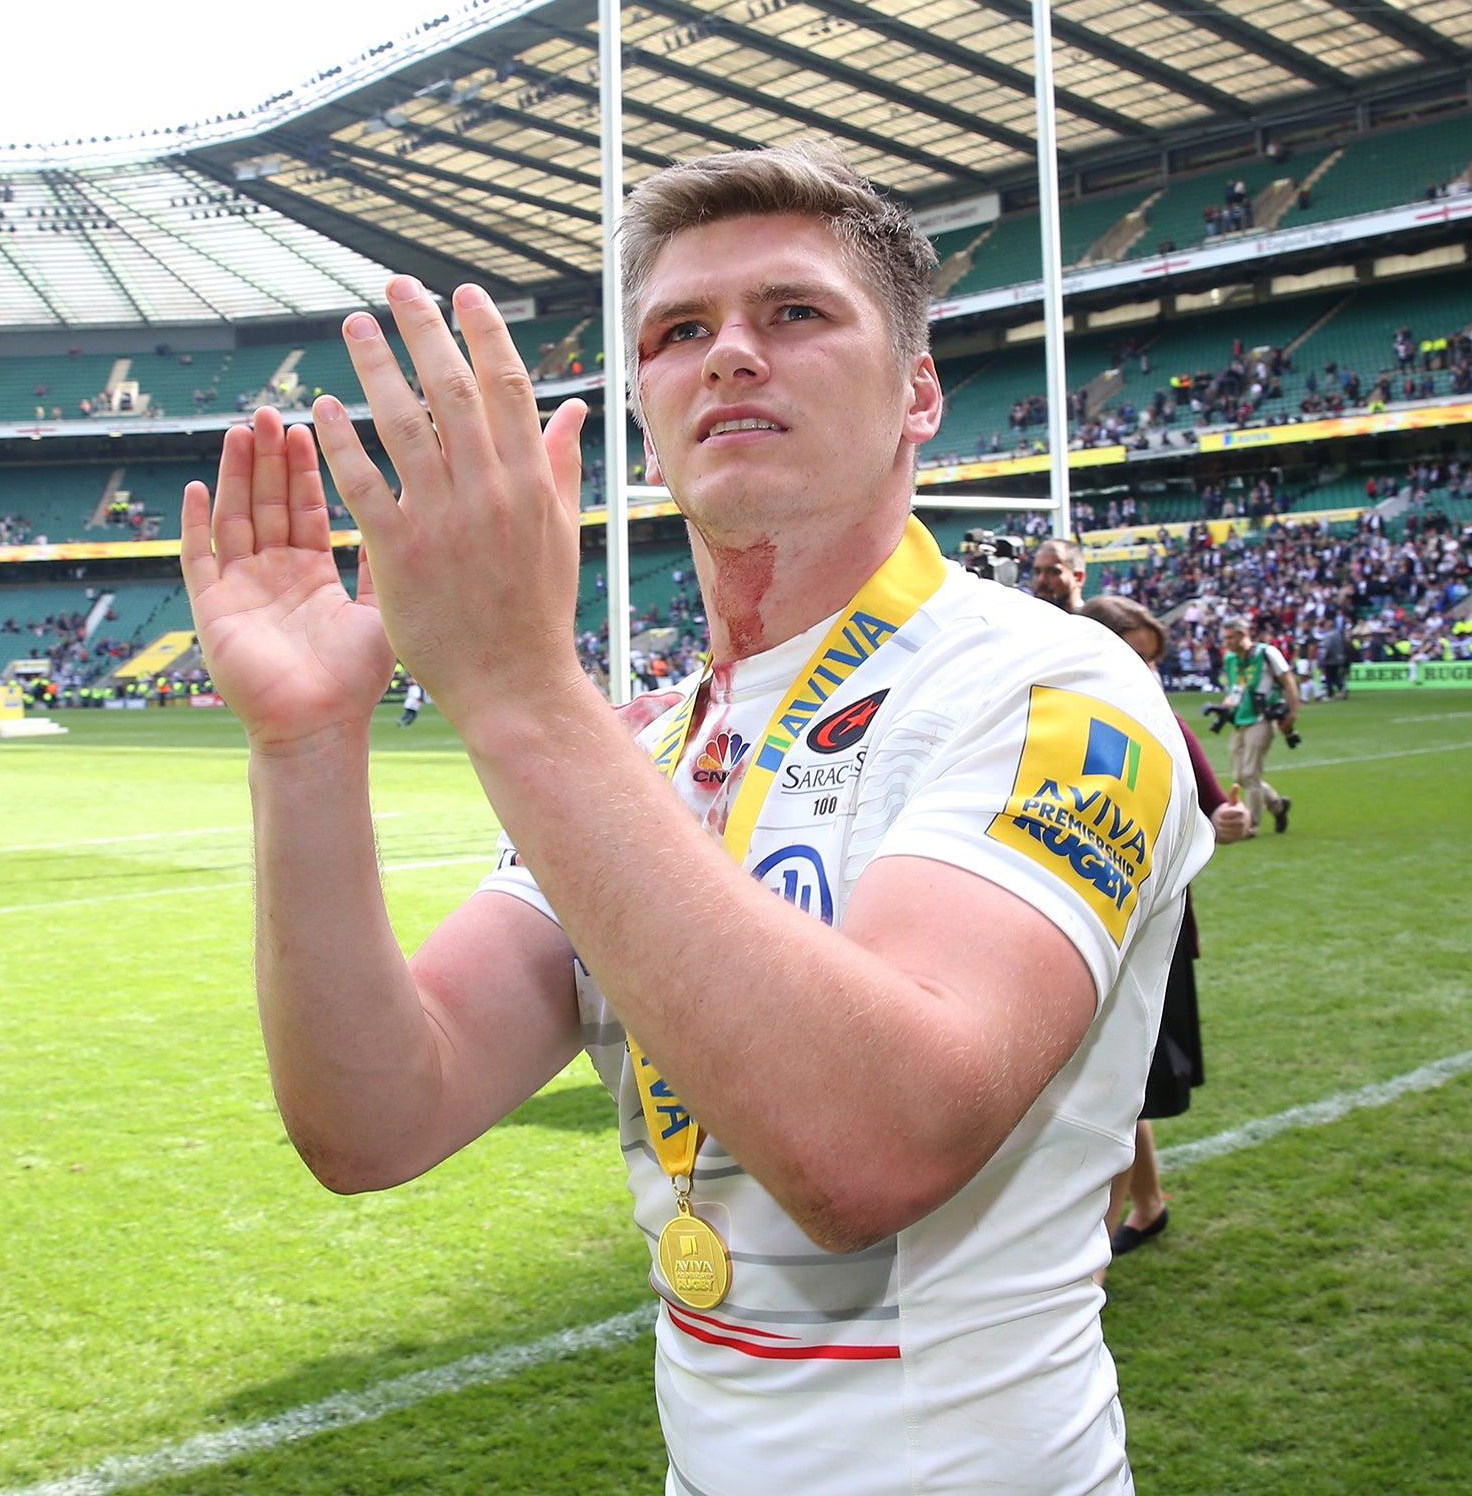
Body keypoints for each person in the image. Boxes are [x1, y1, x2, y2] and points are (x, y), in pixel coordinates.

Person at [179, 143, 1212, 1494]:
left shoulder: (1052, 683)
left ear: (918, 396)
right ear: (645, 414)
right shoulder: (648, 755)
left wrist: (519, 692)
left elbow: (873, 1149)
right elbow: (377, 1117)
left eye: (795, 313)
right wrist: (304, 744)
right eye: (679, 333)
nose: (730, 354)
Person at [1078, 595, 1247, 1269]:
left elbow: (1220, 811)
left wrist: (1230, 822)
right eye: (1133, 654)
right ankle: (1148, 1206)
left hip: (1145, 940)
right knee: (1112, 1087)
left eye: (1152, 657)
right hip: (1076, 934)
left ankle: (1091, 1264)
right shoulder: (1043, 715)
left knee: (1113, 1094)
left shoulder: (1165, 724)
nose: (1145, 669)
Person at [1217, 616, 1297, 835]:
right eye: (1225, 638)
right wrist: (1226, 704)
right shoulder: (1231, 659)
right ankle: (1278, 805)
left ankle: (1251, 824)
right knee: (1240, 775)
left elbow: (1288, 681)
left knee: (1251, 774)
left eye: (1231, 637)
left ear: (1244, 635)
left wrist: (1292, 713)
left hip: (1262, 718)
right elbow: (1236, 688)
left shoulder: (1267, 653)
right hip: (1240, 718)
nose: (1227, 642)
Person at [1030, 536, 1086, 611]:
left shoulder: (1094, 621)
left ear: (1078, 577)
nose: (1041, 580)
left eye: (1052, 572)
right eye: (1037, 572)